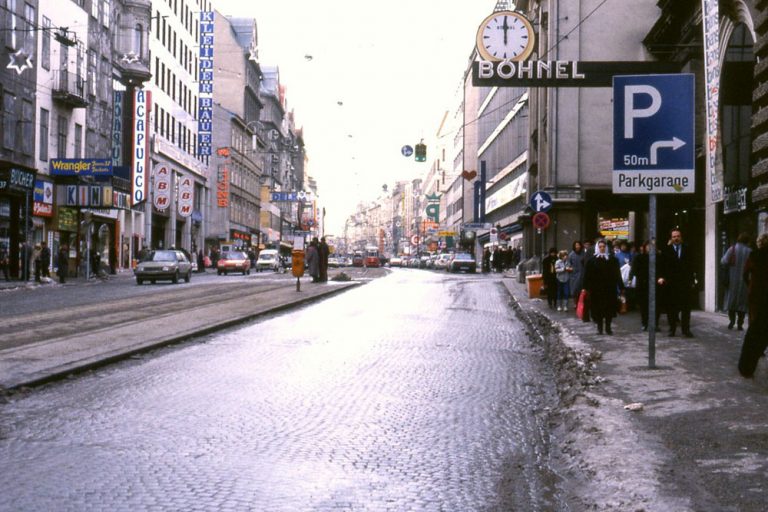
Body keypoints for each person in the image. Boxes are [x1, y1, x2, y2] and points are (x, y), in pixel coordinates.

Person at [657, 228, 696, 337]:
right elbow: (661, 266)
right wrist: (661, 277)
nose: (676, 238)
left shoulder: (687, 249)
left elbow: (692, 266)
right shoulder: (666, 250)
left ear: (681, 237)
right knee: (671, 308)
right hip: (671, 284)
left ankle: (686, 330)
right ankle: (672, 329)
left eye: (678, 236)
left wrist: (693, 281)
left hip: (685, 283)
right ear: (671, 238)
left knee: (686, 308)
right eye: (674, 237)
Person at [739, 233, 768, 377]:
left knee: (756, 331)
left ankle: (746, 367)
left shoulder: (754, 255)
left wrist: (750, 285)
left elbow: (745, 274)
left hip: (758, 296)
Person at [583, 239, 625, 334]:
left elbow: (617, 274)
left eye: (604, 247)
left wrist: (621, 286)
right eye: (600, 247)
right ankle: (600, 328)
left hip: (609, 288)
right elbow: (587, 275)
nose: (602, 248)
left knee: (609, 309)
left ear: (606, 248)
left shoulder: (613, 260)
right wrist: (585, 288)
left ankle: (608, 327)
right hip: (596, 289)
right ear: (597, 248)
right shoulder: (592, 261)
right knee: (598, 309)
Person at [721, 233, 751, 330]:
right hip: (745, 281)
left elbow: (723, 261)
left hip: (732, 280)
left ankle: (732, 321)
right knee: (742, 304)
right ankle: (740, 324)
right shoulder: (750, 251)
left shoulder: (732, 249)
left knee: (731, 302)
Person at [630, 241, 661, 331]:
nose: (650, 248)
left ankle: (655, 324)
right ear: (644, 248)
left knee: (656, 306)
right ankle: (645, 323)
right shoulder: (639, 257)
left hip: (656, 284)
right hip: (643, 285)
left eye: (652, 246)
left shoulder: (658, 257)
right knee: (644, 306)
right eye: (648, 246)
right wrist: (631, 278)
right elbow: (634, 270)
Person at [568, 241, 585, 307]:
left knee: (582, 290)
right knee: (574, 290)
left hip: (582, 274)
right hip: (574, 275)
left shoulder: (584, 253)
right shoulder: (571, 255)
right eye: (576, 245)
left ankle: (582, 303)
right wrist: (570, 269)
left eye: (578, 245)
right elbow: (568, 264)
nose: (577, 246)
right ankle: (575, 303)